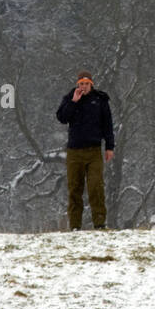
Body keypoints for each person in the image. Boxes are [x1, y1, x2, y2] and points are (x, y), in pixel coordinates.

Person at [56, 71, 115, 230]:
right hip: (74, 152)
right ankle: (75, 226)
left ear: (91, 84)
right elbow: (62, 118)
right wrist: (74, 102)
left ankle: (100, 224)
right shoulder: (70, 98)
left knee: (96, 187)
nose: (83, 86)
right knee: (75, 189)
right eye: (81, 83)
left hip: (94, 151)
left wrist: (110, 147)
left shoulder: (100, 100)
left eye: (86, 84)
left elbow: (108, 124)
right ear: (77, 84)